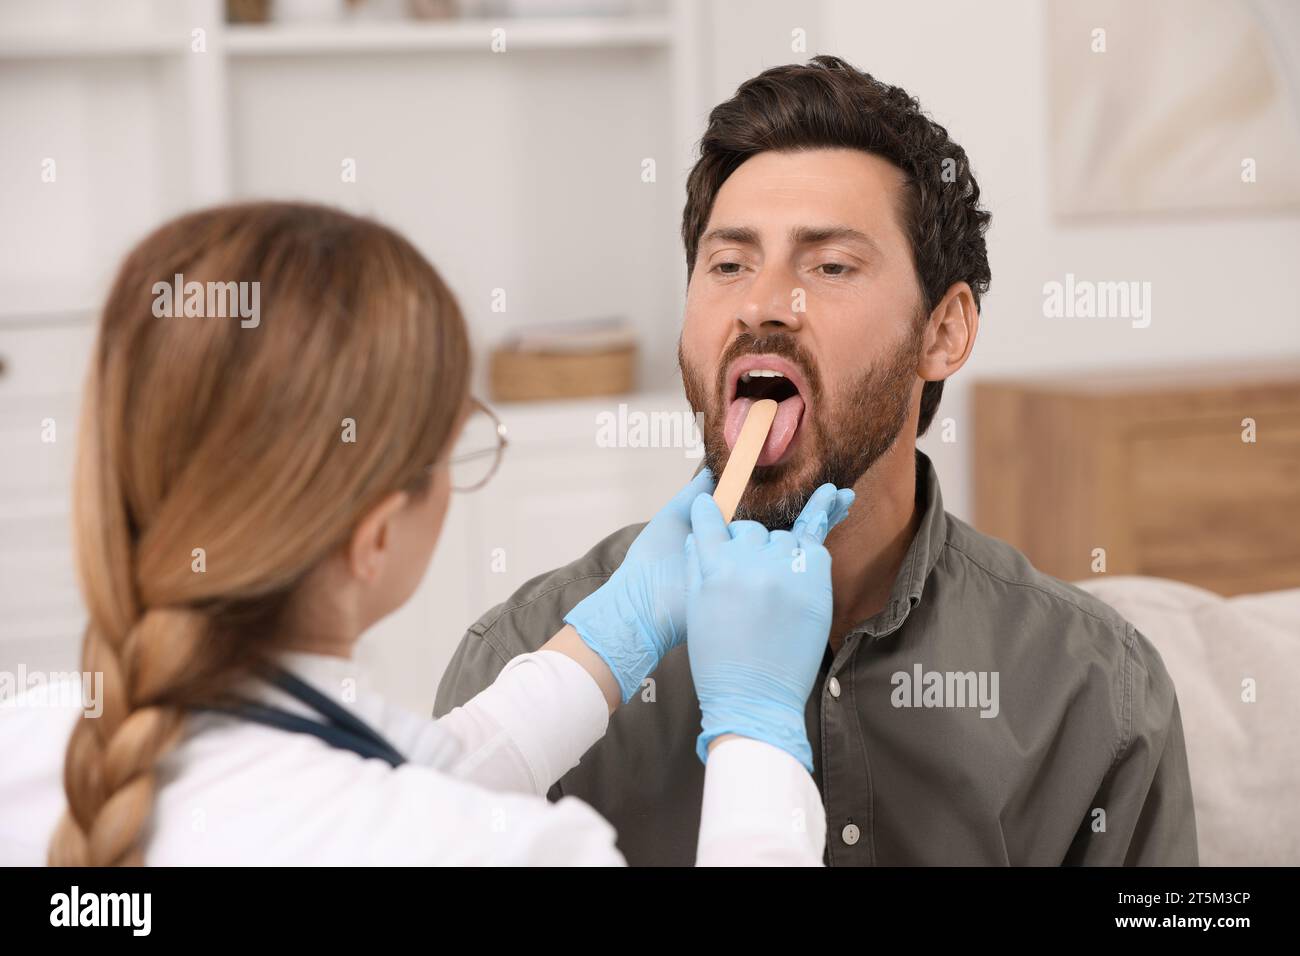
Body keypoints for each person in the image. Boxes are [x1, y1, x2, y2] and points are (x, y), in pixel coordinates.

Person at [436, 56, 1199, 866]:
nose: (763, 303)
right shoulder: (520, 662)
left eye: (829, 265)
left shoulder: (1096, 698)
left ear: (944, 332)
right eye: (727, 264)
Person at [0, 201, 853, 866]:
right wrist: (757, 731)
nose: (766, 301)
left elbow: (391, 778)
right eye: (457, 446)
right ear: (374, 537)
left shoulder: (32, 751)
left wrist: (613, 633)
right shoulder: (506, 851)